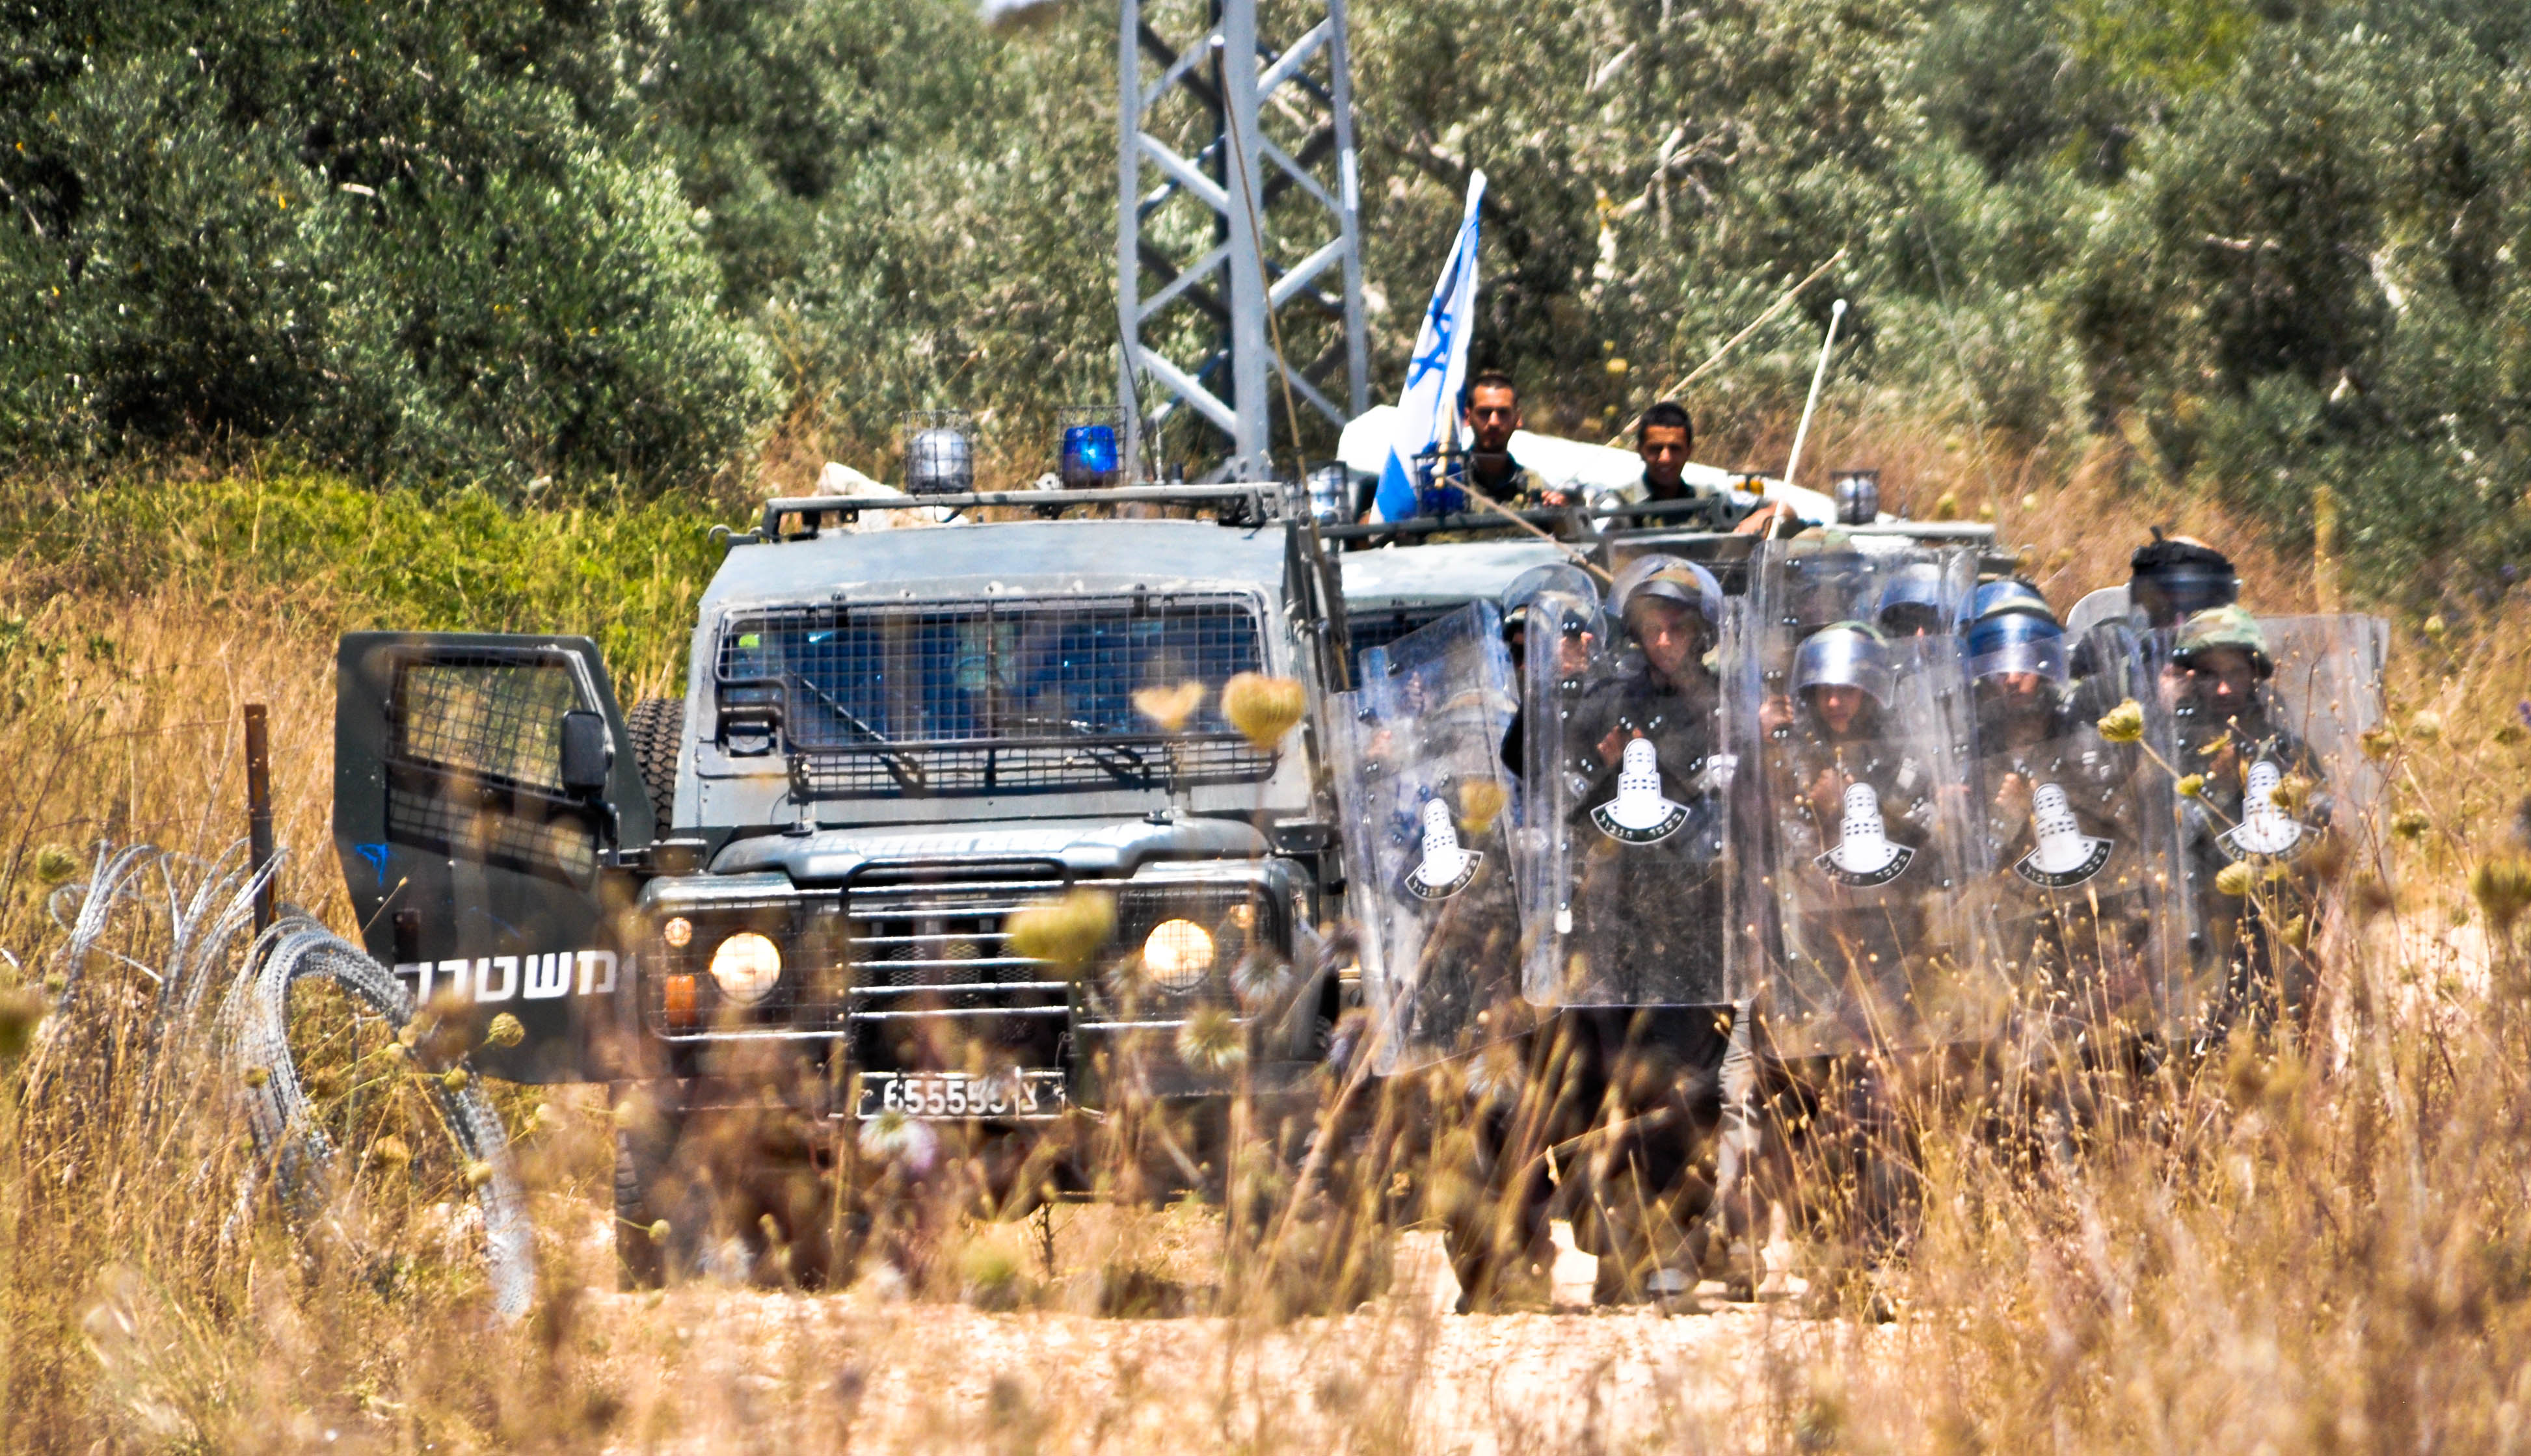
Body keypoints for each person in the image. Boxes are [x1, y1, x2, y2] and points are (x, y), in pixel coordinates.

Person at [2166, 605, 2328, 1030]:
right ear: (2189, 680)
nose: (2222, 689)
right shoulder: (2165, 753)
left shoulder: (2286, 750)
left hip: (2274, 937)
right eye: (2208, 675)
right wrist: (2215, 787)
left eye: (2234, 674)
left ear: (2254, 676)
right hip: (2200, 939)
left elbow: (2320, 836)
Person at [2129, 533, 2238, 629]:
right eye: (2163, 614)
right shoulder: (2133, 649)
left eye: (2194, 615)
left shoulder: (2242, 647)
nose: (2178, 627)